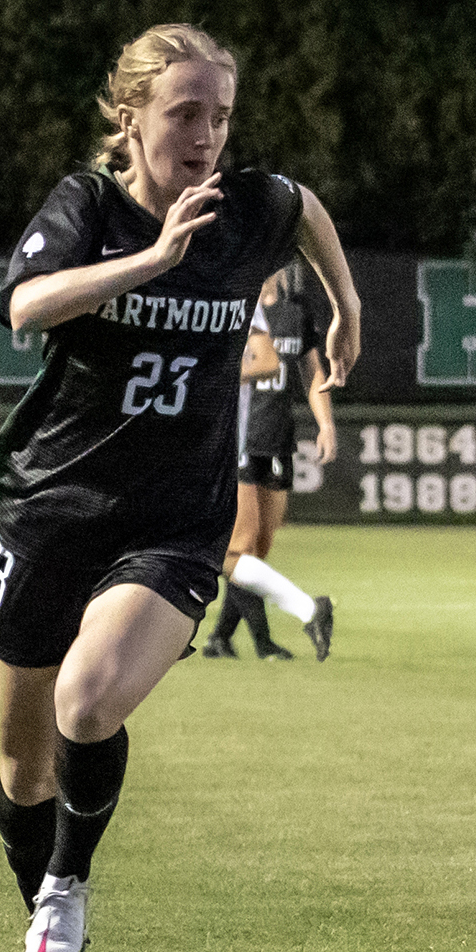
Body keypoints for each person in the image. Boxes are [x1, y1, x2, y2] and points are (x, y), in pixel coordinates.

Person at [0, 23, 361, 952]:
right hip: (54, 512)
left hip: (174, 522)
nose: (206, 135)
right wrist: (151, 259)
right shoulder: (89, 206)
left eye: (220, 116)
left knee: (88, 701)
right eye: (185, 113)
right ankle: (40, 927)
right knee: (23, 772)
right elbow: (24, 306)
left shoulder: (245, 207)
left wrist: (345, 305)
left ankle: (68, 885)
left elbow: (305, 207)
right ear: (131, 116)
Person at [203, 263, 337, 661]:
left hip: (277, 436)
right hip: (242, 436)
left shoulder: (294, 311)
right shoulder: (235, 303)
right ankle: (274, 635)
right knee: (239, 550)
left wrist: (326, 424)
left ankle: (221, 638)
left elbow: (312, 373)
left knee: (255, 553)